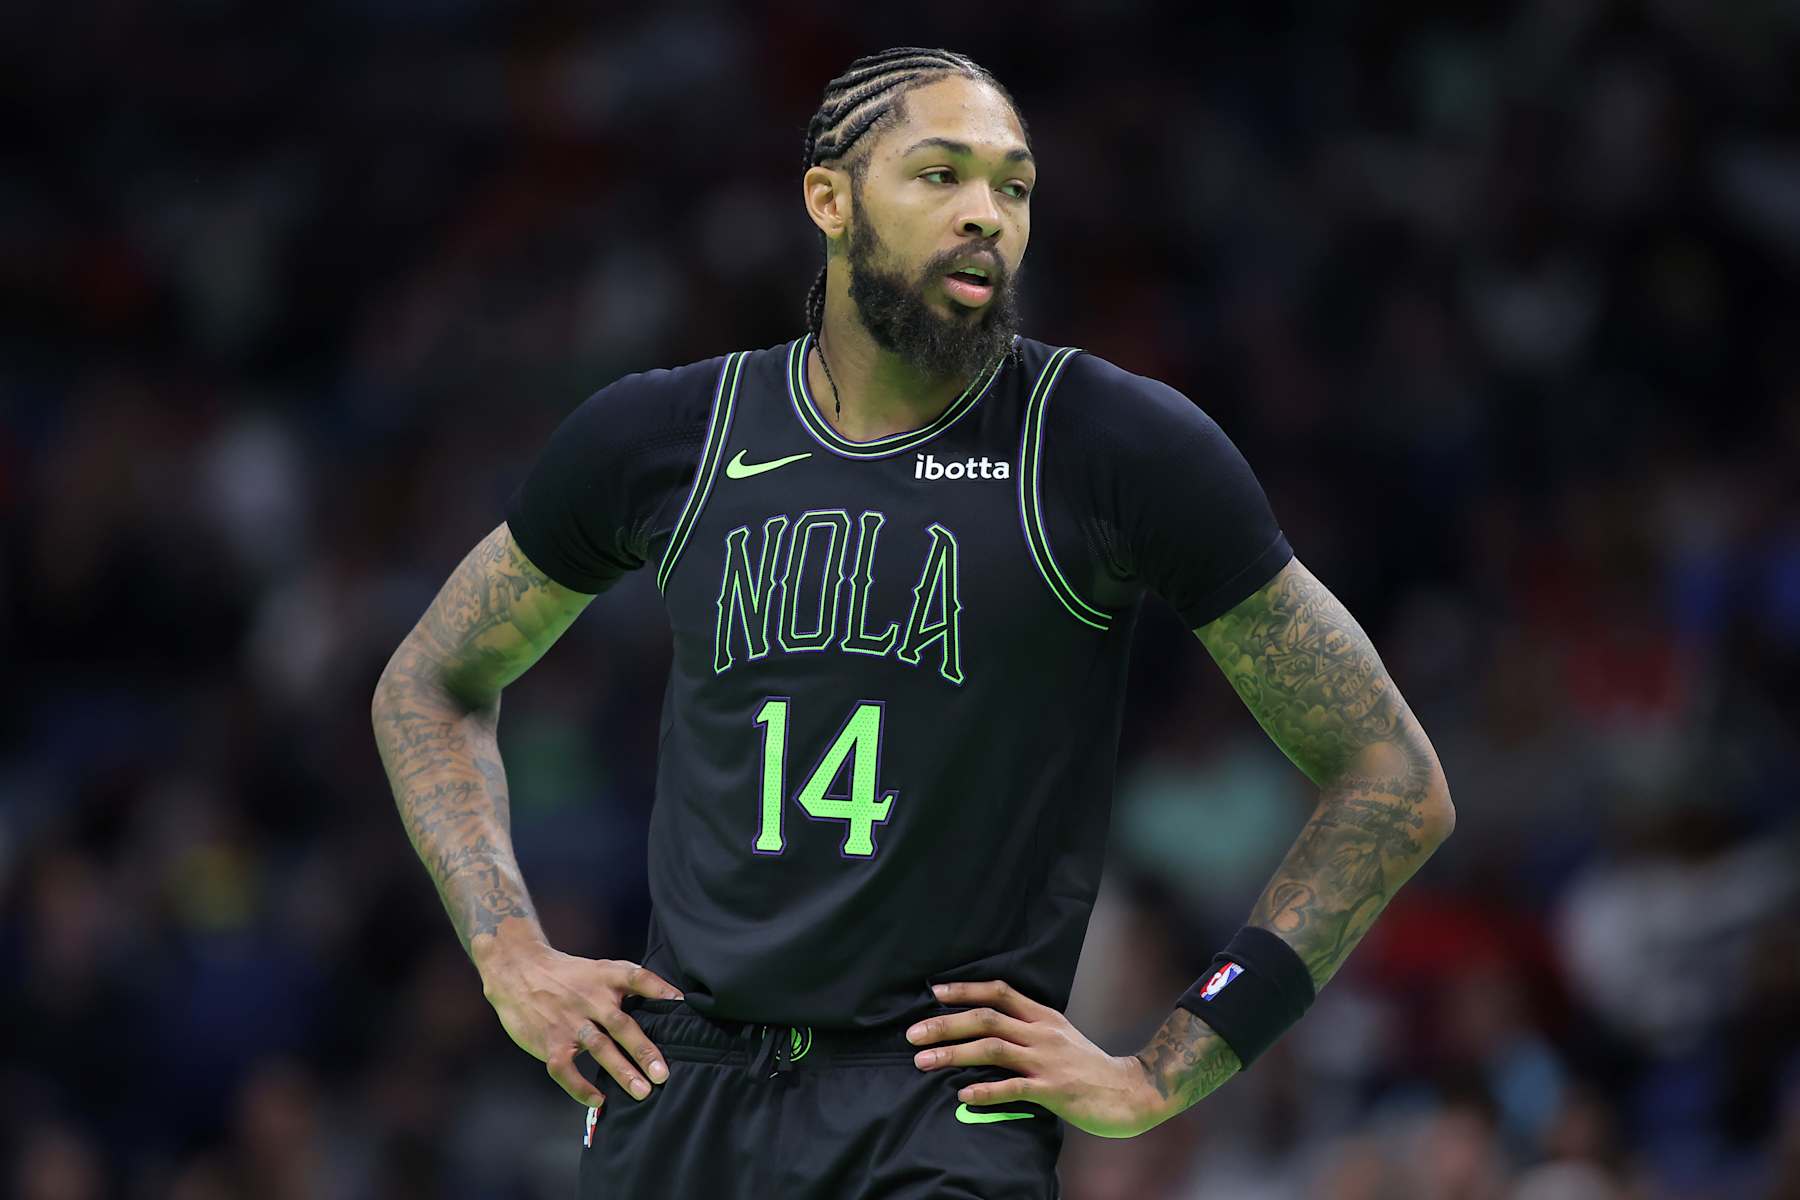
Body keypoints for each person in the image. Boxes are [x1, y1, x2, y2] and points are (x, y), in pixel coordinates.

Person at [371, 45, 1456, 1200]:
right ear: (829, 201)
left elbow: (1393, 776)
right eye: (940, 175)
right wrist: (508, 956)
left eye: (1015, 185)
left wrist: (1170, 1066)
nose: (987, 214)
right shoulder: (663, 435)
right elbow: (428, 683)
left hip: (935, 1110)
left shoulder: (1115, 448)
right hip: (676, 1092)